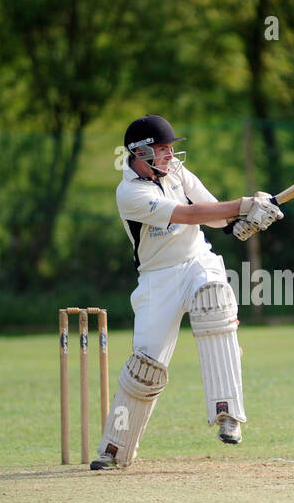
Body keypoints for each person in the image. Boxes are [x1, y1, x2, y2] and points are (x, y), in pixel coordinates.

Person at [90, 115, 282, 470]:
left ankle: (228, 413)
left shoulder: (176, 171)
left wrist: (243, 219)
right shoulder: (129, 192)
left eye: (170, 149)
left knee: (213, 300)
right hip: (157, 278)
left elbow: (215, 216)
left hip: (197, 261)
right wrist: (244, 205)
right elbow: (188, 214)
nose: (169, 155)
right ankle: (115, 448)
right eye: (162, 149)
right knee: (144, 367)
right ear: (140, 152)